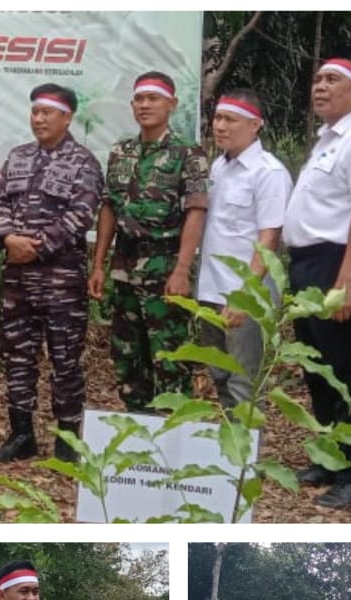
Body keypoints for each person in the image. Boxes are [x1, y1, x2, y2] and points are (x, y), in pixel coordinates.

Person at [282, 59, 351, 508]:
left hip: (336, 264)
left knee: (345, 369)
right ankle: (329, 457)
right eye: (318, 79)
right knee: (317, 367)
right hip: (307, 264)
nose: (321, 87)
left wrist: (347, 280)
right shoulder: (329, 140)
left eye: (333, 81)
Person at [0, 84, 105, 463]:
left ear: (67, 117)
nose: (38, 119)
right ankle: (22, 435)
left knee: (65, 360)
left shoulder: (84, 162)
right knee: (18, 358)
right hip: (17, 282)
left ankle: (67, 440)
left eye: (47, 113)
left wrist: (31, 246)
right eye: (35, 111)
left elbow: (79, 216)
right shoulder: (17, 157)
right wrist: (7, 237)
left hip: (61, 283)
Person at [90, 71, 209, 412]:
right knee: (127, 357)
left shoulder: (188, 153)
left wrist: (182, 270)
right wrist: (99, 263)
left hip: (166, 268)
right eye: (139, 99)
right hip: (125, 269)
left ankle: (173, 441)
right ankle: (138, 430)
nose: (145, 105)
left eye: (153, 98)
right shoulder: (121, 152)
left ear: (171, 104)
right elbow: (109, 207)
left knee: (170, 358)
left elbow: (196, 211)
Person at [193, 89, 293, 407]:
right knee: (220, 376)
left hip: (246, 291)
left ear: (255, 125)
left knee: (244, 383)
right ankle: (230, 453)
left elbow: (269, 240)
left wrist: (246, 295)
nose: (220, 126)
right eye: (218, 118)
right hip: (211, 288)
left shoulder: (269, 172)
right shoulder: (219, 167)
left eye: (230, 120)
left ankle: (247, 456)